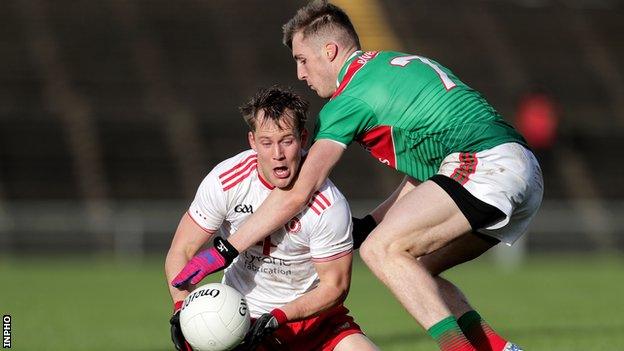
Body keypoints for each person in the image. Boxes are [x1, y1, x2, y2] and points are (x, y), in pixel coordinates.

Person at [173, 2, 543, 350]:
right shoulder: (390, 67)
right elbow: (431, 177)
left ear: (330, 51)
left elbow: (297, 192)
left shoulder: (348, 99)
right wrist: (369, 223)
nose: (300, 73)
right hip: (515, 169)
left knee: (381, 250)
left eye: (302, 60)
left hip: (486, 165)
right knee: (414, 270)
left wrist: (225, 249)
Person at [166, 86, 379, 351]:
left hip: (314, 322)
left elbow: (334, 287)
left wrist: (279, 317)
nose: (277, 153)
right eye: (266, 142)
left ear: (302, 139)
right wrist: (180, 307)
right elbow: (182, 250)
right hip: (240, 320)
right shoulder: (226, 180)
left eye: (286, 141)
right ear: (253, 142)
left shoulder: (329, 203)